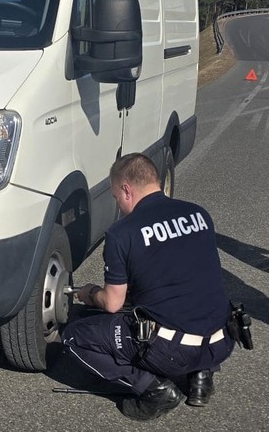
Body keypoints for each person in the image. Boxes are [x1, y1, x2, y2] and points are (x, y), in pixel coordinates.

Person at [62, 153, 236, 421]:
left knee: (74, 337)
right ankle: (202, 378)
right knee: (196, 299)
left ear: (126, 189)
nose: (117, 203)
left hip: (173, 352)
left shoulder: (122, 233)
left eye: (115, 196)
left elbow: (112, 303)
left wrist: (89, 293)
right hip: (222, 341)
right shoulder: (199, 214)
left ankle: (154, 389)